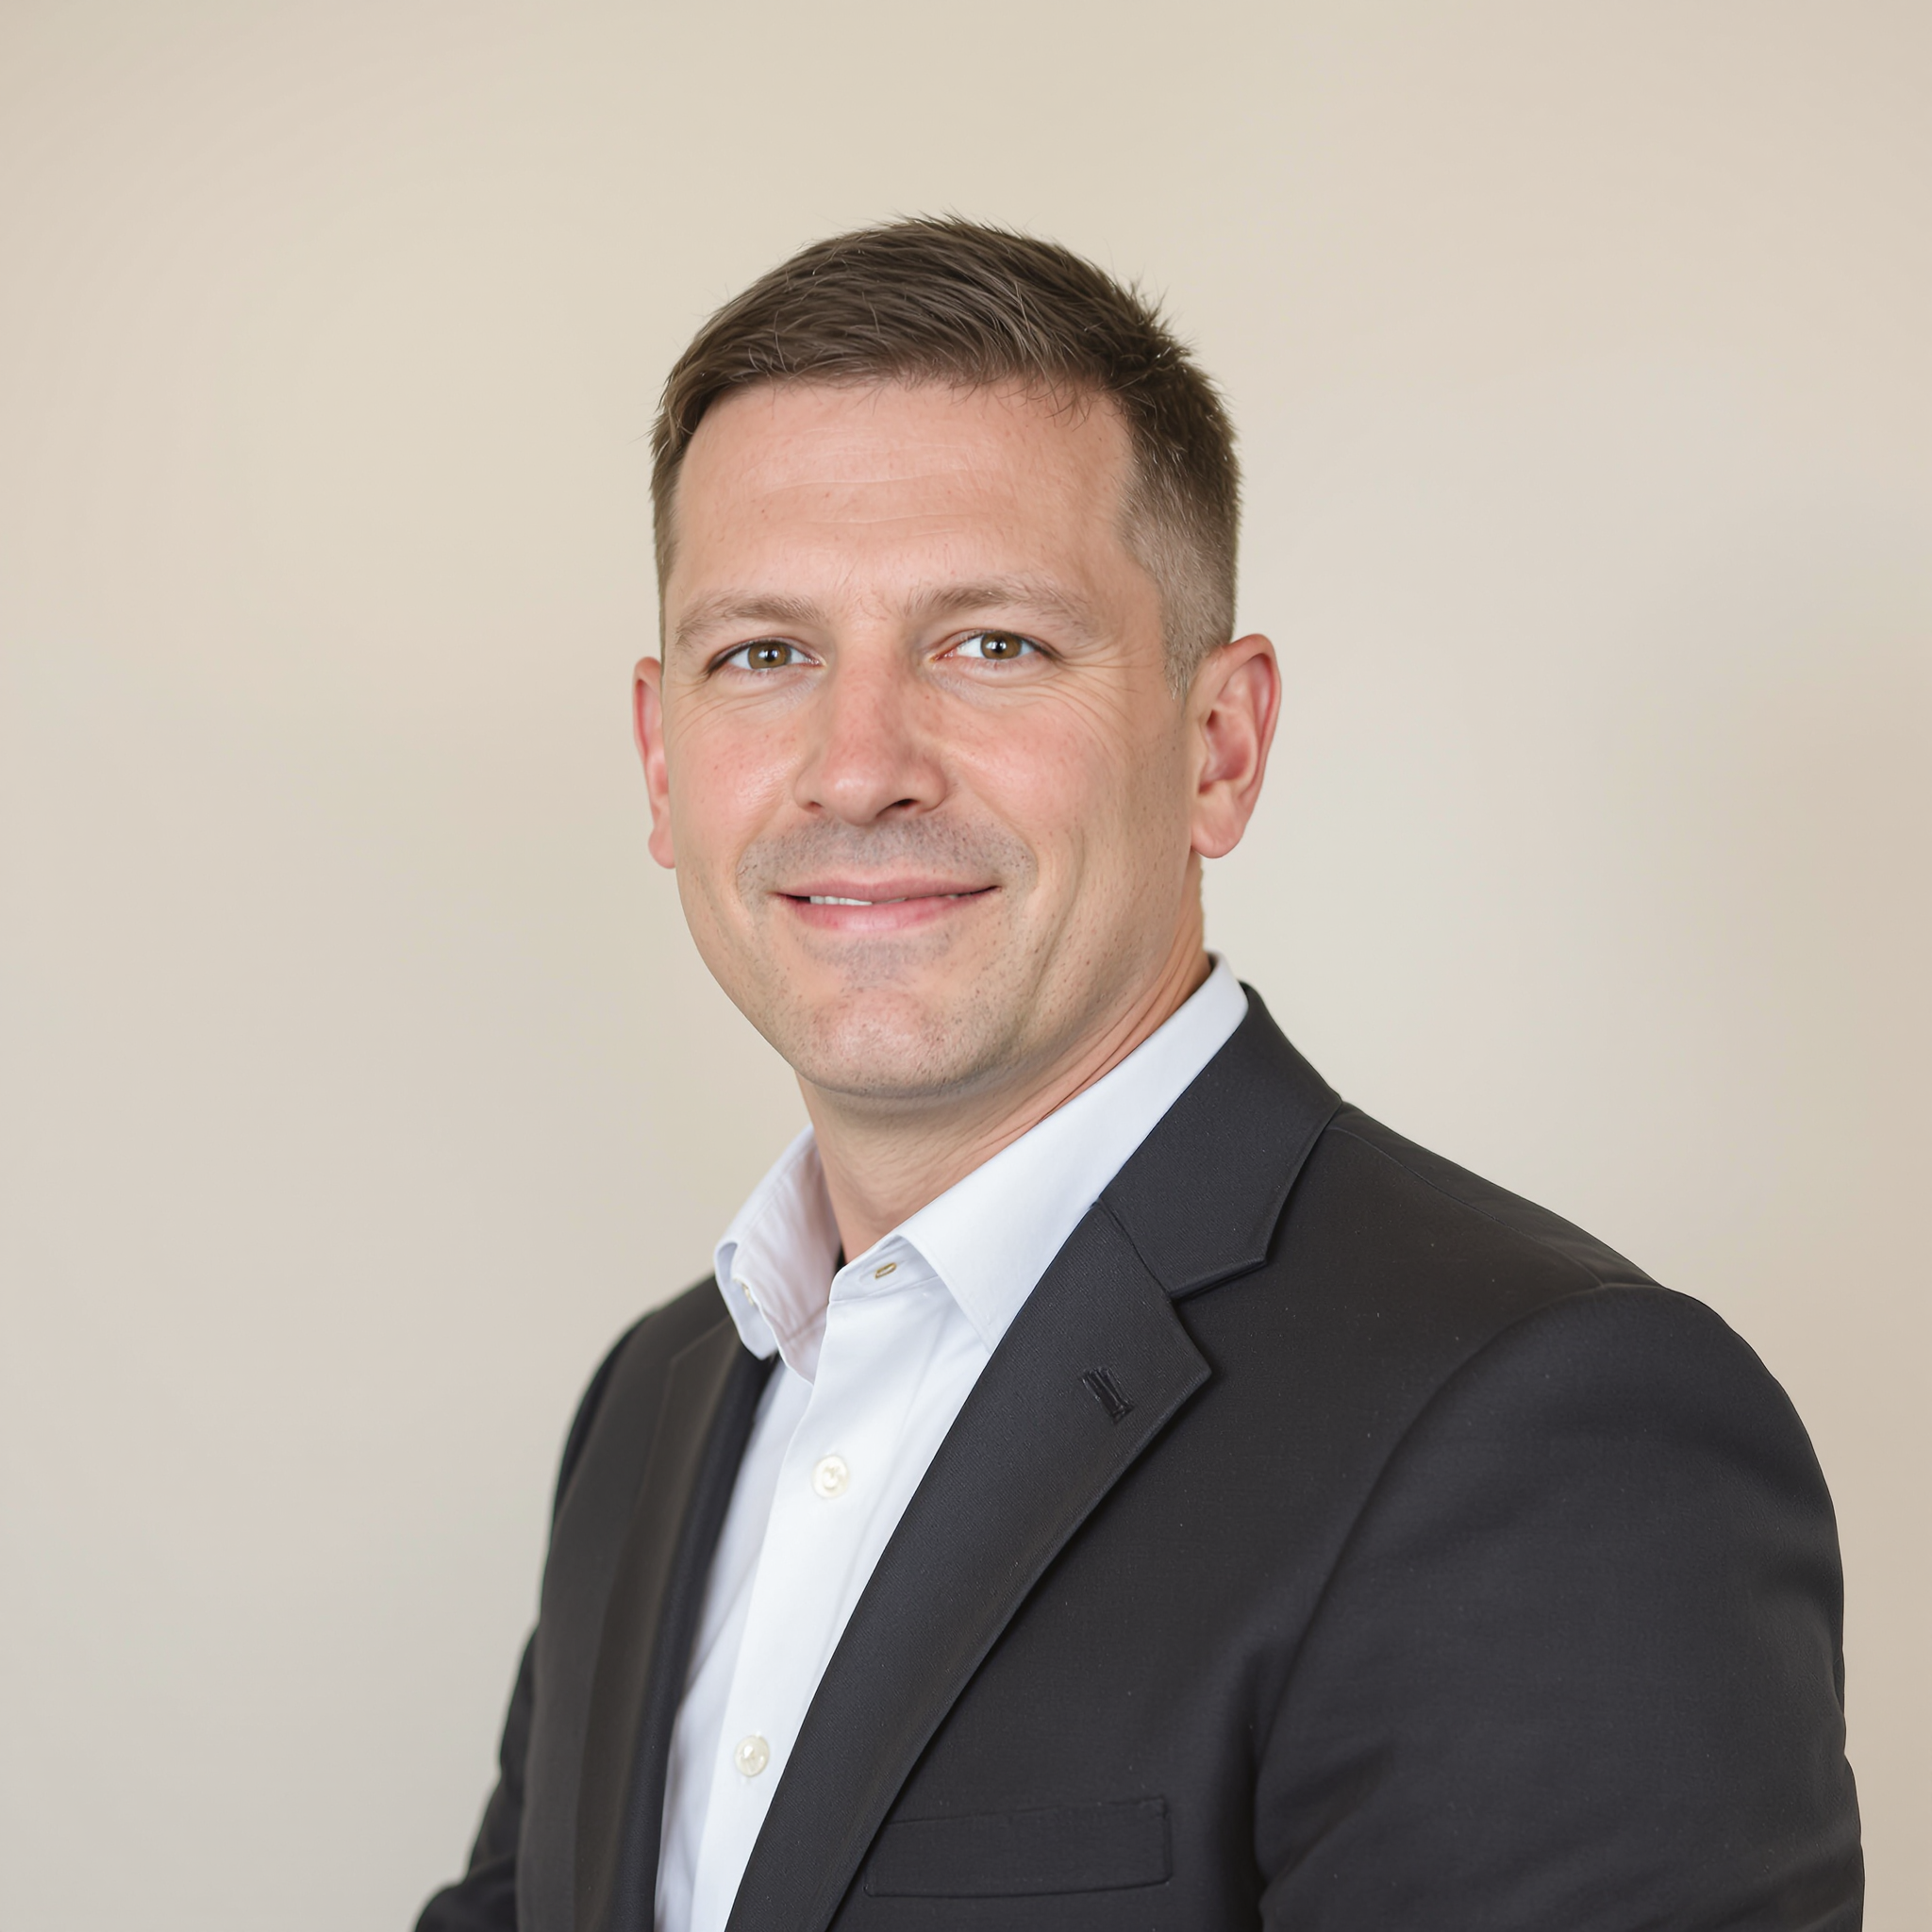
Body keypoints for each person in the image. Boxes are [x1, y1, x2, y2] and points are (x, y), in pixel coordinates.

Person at [415, 219, 1860, 1932]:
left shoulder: (1552, 1431)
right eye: (765, 655)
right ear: (664, 765)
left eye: (992, 645)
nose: (858, 768)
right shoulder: (656, 1404)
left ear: (1219, 748)